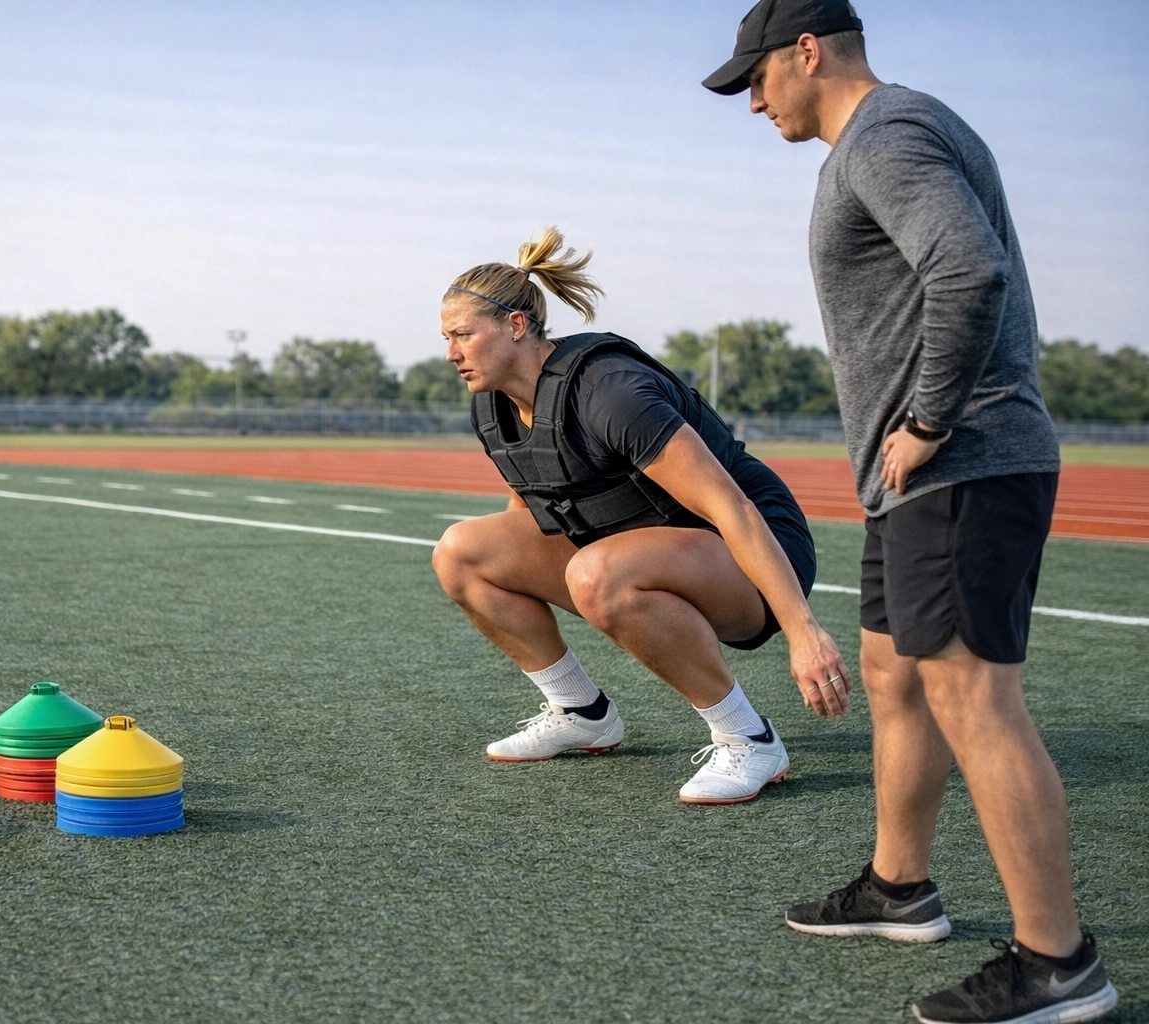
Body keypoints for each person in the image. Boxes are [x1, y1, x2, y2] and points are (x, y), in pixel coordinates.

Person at [702, 2, 1117, 1021]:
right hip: (914, 483)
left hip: (963, 462)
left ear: (808, 51)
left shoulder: (885, 135)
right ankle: (900, 887)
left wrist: (930, 416)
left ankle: (1057, 963)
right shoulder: (888, 135)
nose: (752, 98)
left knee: (977, 698)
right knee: (892, 673)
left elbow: (967, 268)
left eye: (757, 75)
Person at [430, 227, 852, 806]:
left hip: (749, 551)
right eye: (446, 338)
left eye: (462, 335)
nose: (451, 353)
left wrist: (805, 634)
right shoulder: (492, 405)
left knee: (597, 574)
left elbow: (732, 505)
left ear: (516, 326)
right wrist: (516, 567)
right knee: (462, 552)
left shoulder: (609, 391)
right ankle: (581, 712)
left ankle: (749, 739)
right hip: (641, 549)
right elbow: (532, 502)